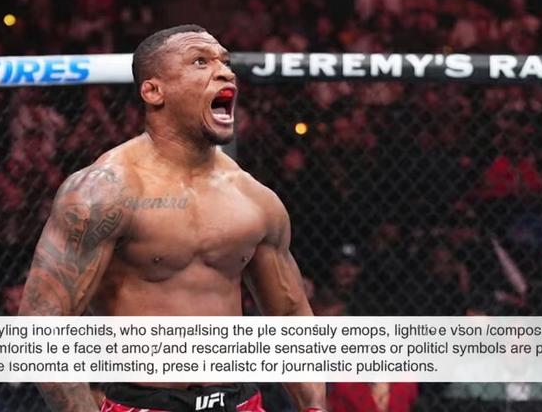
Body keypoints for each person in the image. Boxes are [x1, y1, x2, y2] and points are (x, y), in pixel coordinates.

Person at [19, 24, 327, 412]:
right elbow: (42, 322)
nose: (225, 71)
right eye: (201, 61)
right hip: (141, 401)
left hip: (240, 400)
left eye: (226, 62)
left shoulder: (254, 198)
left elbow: (290, 315)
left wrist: (314, 407)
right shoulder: (106, 191)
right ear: (153, 91)